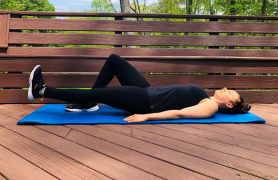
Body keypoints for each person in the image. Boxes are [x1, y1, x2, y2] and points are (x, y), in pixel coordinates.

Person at [28, 54, 251, 123]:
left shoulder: (210, 107)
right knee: (115, 60)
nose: (225, 88)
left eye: (229, 91)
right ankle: (88, 102)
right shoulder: (206, 97)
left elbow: (179, 113)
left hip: (145, 101)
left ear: (228, 103)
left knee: (97, 93)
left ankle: (41, 91)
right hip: (147, 90)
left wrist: (146, 118)